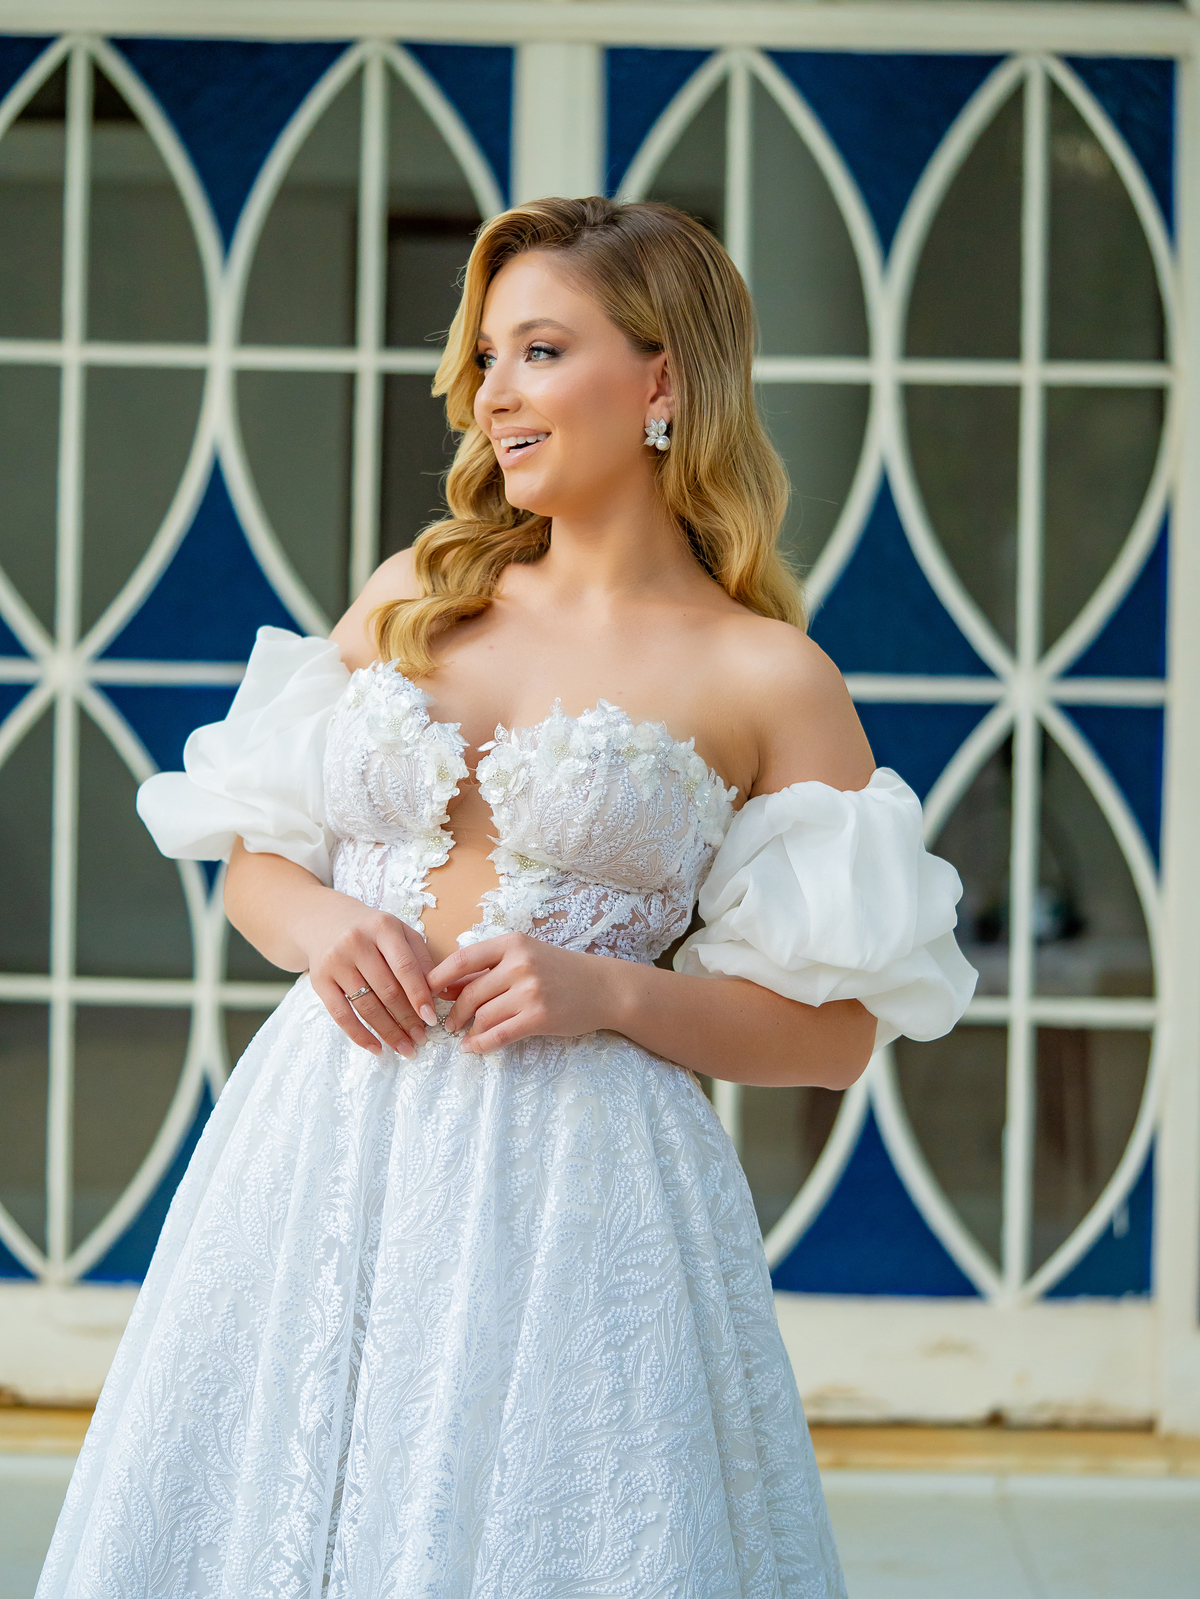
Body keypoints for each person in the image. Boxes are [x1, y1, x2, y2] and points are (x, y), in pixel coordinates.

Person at [37, 196, 975, 1599]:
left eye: (540, 350)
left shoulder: (768, 676)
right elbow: (258, 860)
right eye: (486, 357)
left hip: (577, 1191)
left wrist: (610, 993)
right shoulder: (415, 592)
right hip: (319, 1142)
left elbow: (834, 1037)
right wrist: (323, 927)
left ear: (662, 380)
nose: (493, 394)